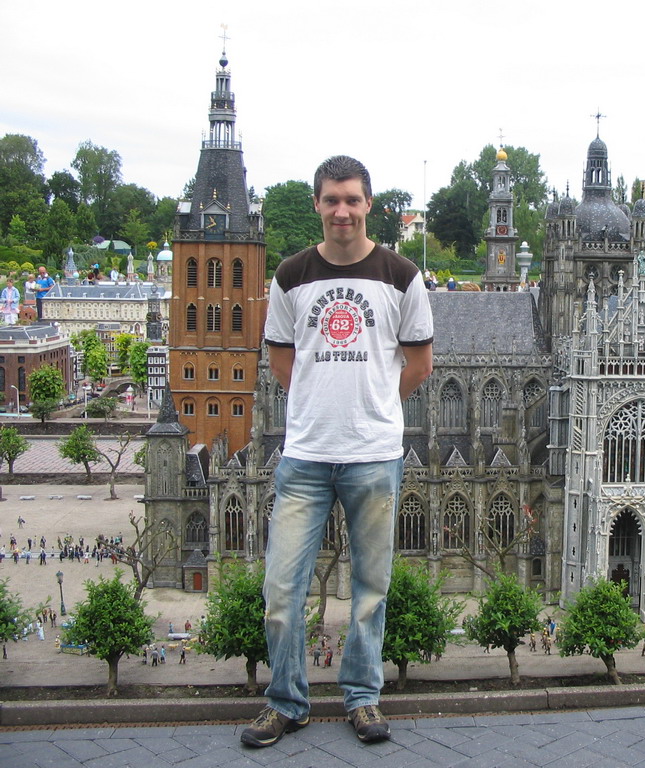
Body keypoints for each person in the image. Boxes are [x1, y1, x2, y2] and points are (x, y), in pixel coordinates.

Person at [242, 155, 433, 750]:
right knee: (281, 591)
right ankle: (287, 701)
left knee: (371, 589)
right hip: (304, 455)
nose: (342, 211)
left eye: (351, 199)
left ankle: (362, 697)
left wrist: (372, 401)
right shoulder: (291, 275)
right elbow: (278, 358)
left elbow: (421, 365)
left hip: (375, 454)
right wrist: (317, 404)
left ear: (368, 204)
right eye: (331, 200)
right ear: (318, 205)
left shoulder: (403, 275)